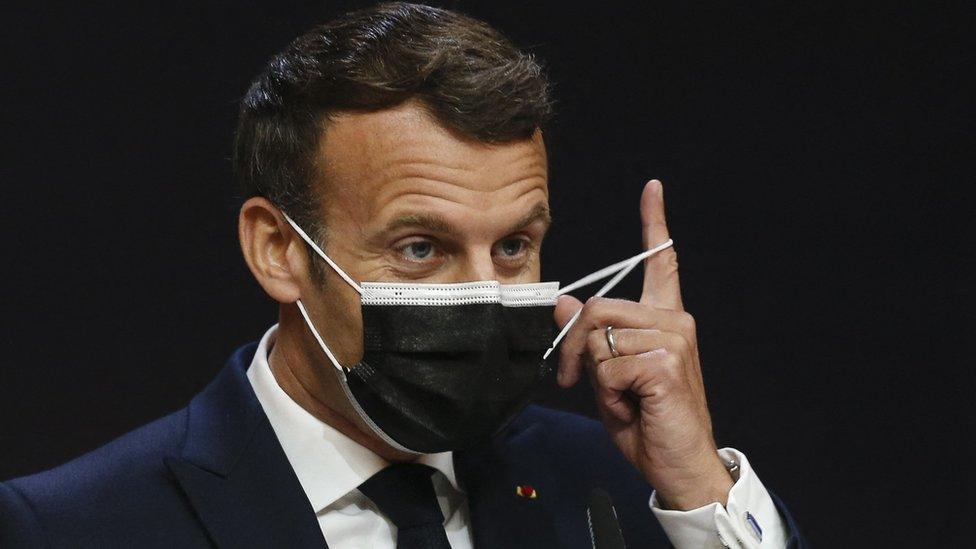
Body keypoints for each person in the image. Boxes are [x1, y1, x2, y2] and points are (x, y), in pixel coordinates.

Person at [0, 3, 805, 548]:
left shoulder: (619, 490)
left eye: (515, 246)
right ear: (277, 249)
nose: (479, 293)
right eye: (420, 247)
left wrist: (699, 484)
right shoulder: (70, 525)